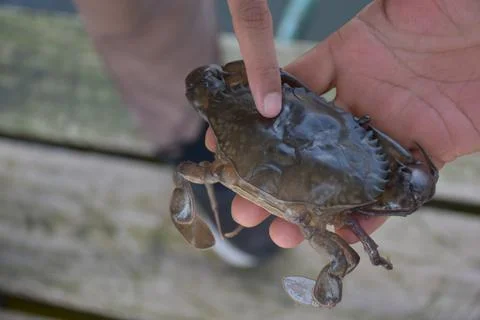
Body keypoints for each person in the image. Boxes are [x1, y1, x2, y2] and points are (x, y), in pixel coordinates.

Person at [73, 0, 480, 267]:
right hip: (312, 210)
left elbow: (205, 82)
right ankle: (190, 136)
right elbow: (407, 196)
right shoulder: (369, 176)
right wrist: (364, 137)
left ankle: (195, 150)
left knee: (195, 153)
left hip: (233, 166)